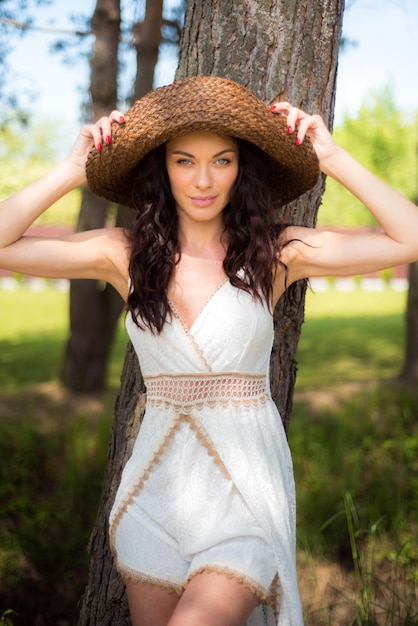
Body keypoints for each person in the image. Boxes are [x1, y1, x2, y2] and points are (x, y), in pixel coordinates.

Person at [1, 76, 417, 626]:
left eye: (221, 161)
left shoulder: (277, 251)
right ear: (161, 169)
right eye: (184, 161)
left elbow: (408, 238)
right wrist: (74, 168)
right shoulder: (123, 254)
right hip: (156, 489)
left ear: (241, 168)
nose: (203, 180)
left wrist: (334, 157)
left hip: (245, 491)